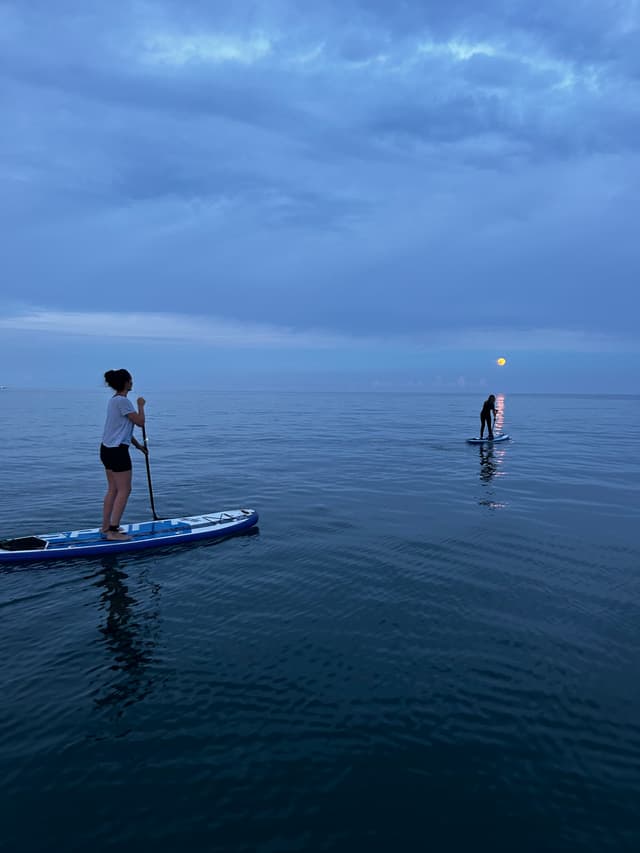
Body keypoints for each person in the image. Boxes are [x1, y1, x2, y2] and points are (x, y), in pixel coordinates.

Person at [100, 369, 147, 541]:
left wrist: (139, 446)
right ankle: (113, 531)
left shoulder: (114, 401)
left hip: (106, 449)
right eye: (130, 380)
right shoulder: (123, 401)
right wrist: (141, 405)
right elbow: (140, 422)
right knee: (125, 490)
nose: (132, 382)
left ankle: (106, 527)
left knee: (113, 489)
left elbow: (122, 430)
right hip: (117, 451)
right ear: (126, 382)